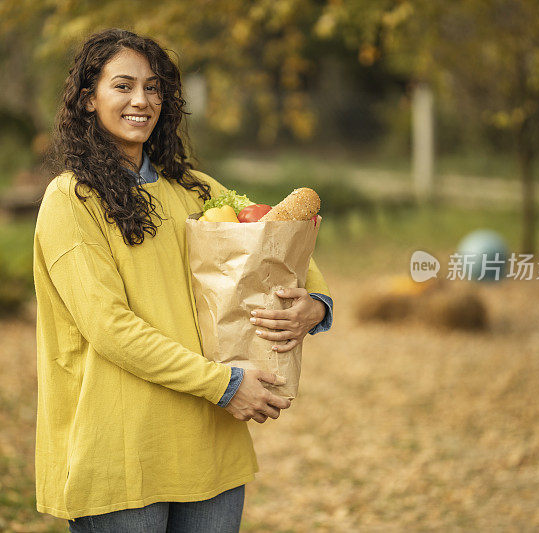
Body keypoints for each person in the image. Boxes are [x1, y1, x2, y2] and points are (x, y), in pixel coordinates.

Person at [33, 28, 334, 532]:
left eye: (153, 88)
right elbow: (109, 328)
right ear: (88, 100)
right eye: (123, 86)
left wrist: (317, 304)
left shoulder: (193, 188)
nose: (141, 100)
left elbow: (275, 230)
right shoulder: (71, 200)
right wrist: (225, 384)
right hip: (124, 453)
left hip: (211, 450)